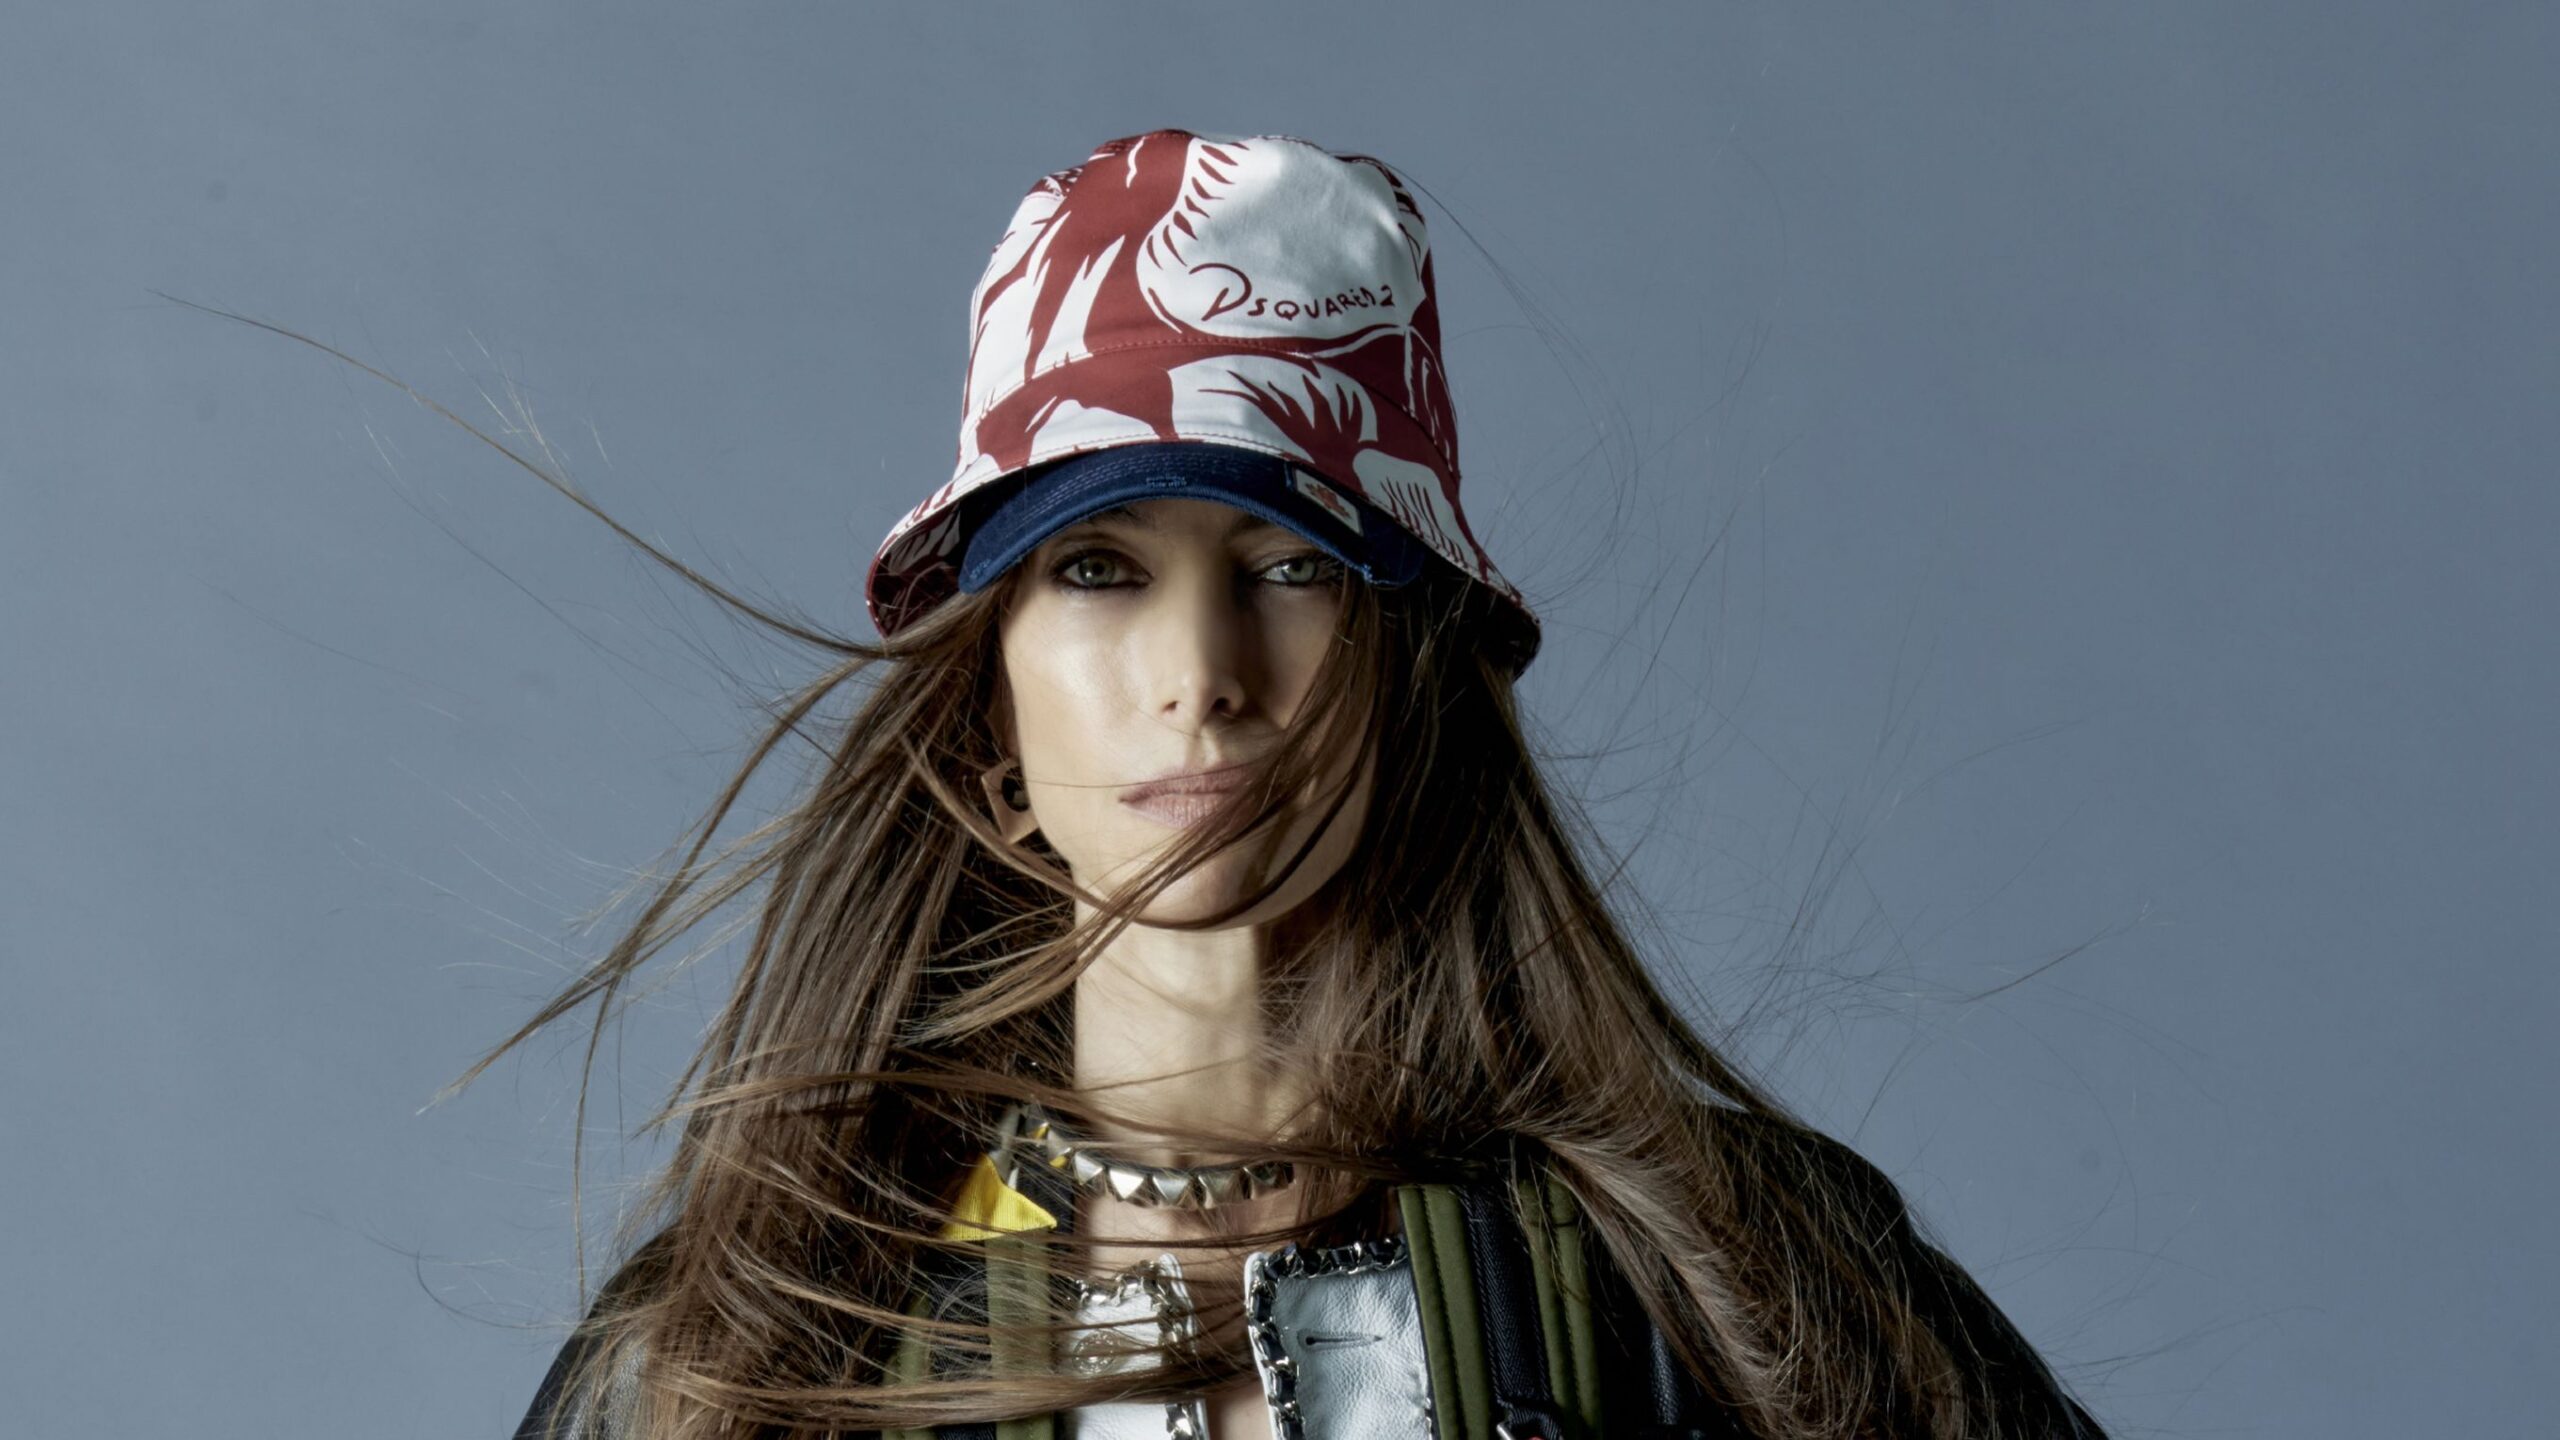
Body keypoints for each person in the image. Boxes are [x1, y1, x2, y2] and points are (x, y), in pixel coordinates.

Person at [488, 129, 2108, 1440]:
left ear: (1419, 678)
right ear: (986, 714)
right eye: (1098, 568)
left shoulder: (1747, 1272)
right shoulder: (743, 1343)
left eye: (1291, 565)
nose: (1202, 674)